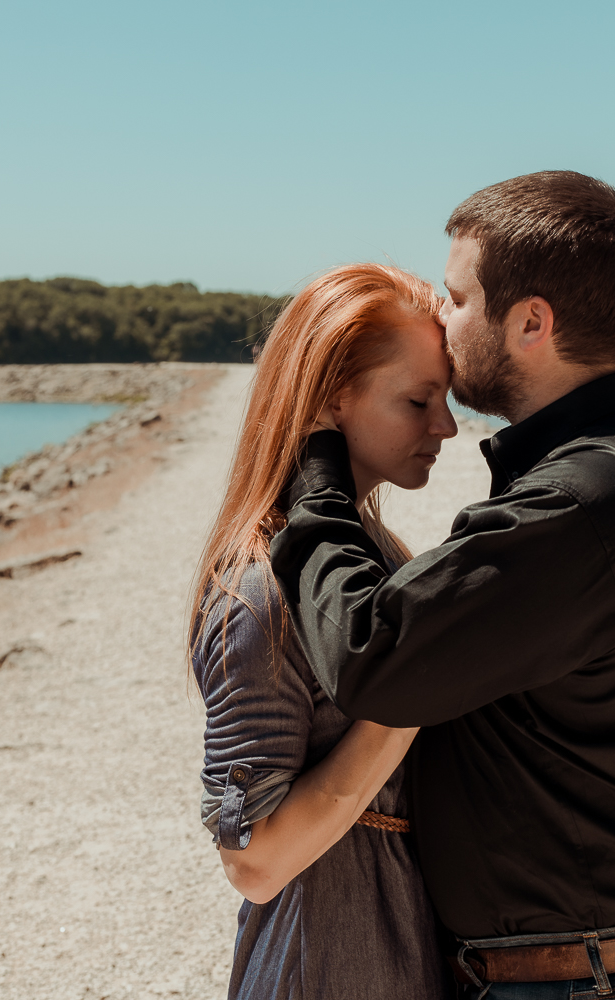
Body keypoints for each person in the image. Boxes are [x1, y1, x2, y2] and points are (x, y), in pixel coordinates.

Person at [269, 171, 615, 998]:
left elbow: (372, 655)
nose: (440, 316)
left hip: (592, 975)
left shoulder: (584, 498)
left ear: (531, 322)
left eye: (457, 297)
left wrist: (316, 470)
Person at [188, 263, 456, 999]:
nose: (447, 426)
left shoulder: (383, 555)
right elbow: (255, 861)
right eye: (418, 400)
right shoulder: (259, 592)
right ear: (332, 395)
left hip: (398, 946)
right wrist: (412, 695)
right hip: (325, 964)